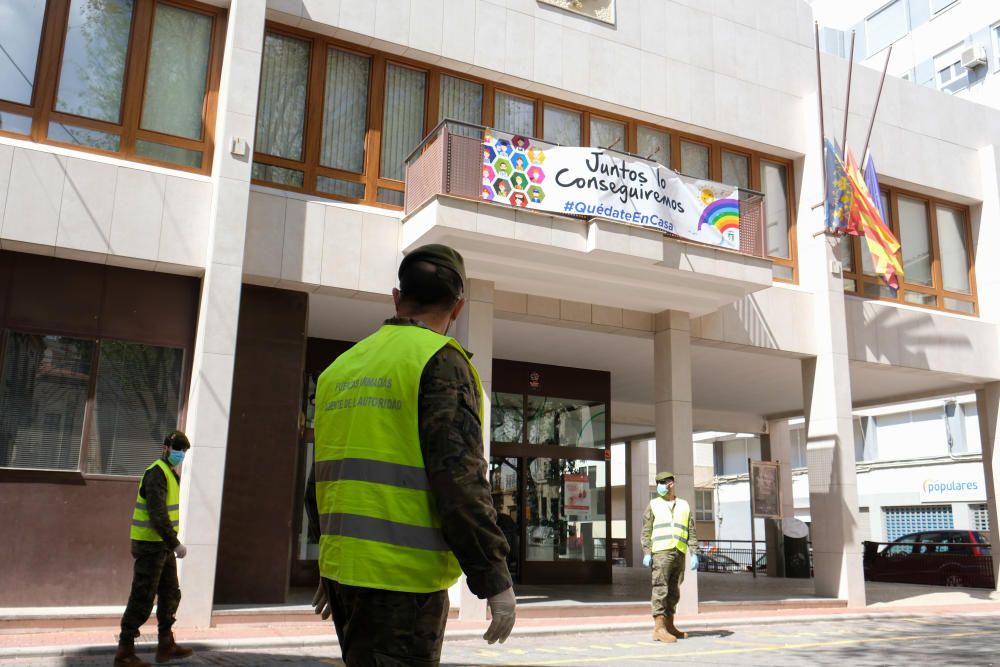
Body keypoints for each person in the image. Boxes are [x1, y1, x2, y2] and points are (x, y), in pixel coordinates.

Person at [307, 243, 516, 665]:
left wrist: (333, 561)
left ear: (397, 298)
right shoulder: (440, 362)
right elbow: (459, 482)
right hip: (404, 583)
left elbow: (320, 478)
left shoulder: (338, 370)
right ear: (457, 308)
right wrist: (493, 577)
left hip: (343, 574)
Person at [114, 431, 194, 667]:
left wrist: (170, 545)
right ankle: (125, 650)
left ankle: (166, 644)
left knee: (171, 592)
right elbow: (158, 515)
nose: (180, 455)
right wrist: (175, 543)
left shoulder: (170, 474)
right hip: (150, 545)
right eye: (178, 449)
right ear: (166, 448)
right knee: (143, 596)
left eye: (184, 452)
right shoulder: (156, 474)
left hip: (162, 547)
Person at [640, 470, 699, 643]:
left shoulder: (684, 505)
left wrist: (694, 553)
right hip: (661, 553)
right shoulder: (653, 504)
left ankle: (670, 625)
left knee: (674, 591)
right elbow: (646, 531)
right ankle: (659, 629)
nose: (659, 487)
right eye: (658, 483)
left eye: (662, 483)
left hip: (679, 553)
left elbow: (691, 531)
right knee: (660, 589)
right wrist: (647, 552)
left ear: (671, 484)